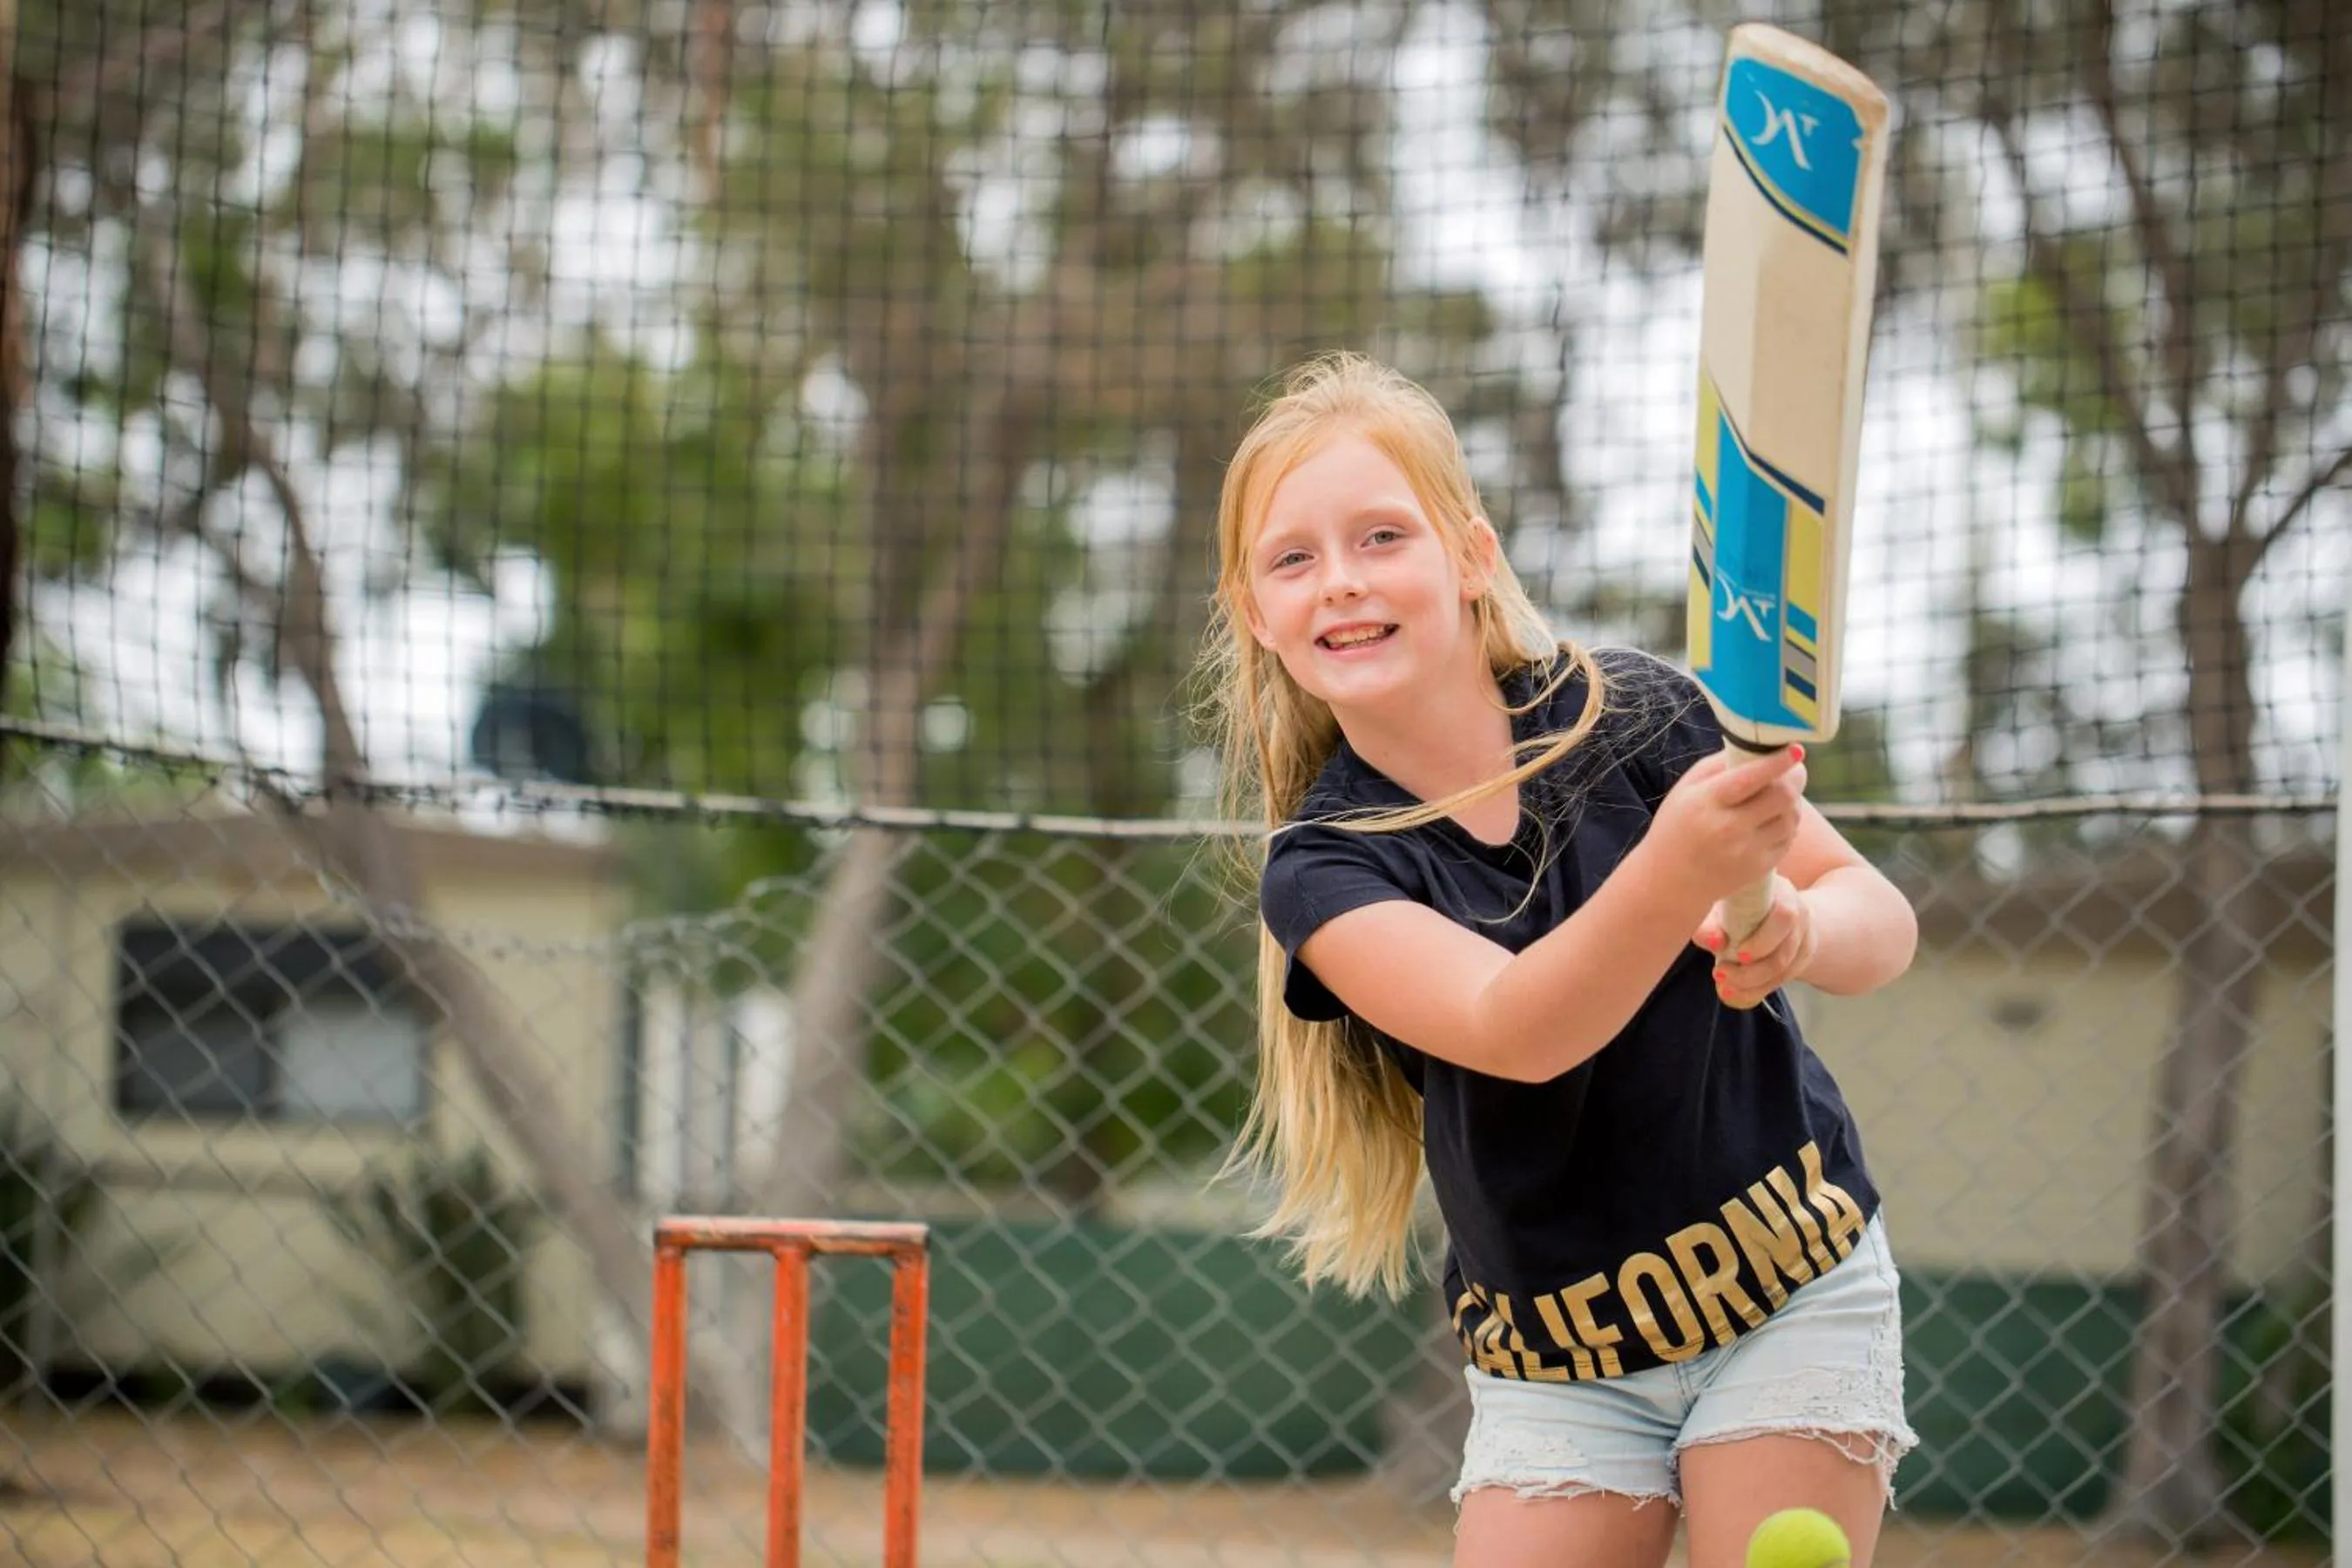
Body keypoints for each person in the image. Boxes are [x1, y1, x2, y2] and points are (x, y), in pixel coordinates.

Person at [1200, 353, 1920, 1568]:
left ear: (1471, 558)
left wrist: (1802, 930)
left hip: (1789, 1293)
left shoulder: (1634, 712)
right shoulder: (1324, 868)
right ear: (1256, 615)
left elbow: (1877, 917)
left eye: (1383, 536)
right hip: (1560, 1363)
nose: (1341, 582)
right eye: (1293, 558)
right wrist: (1680, 865)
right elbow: (1517, 1027)